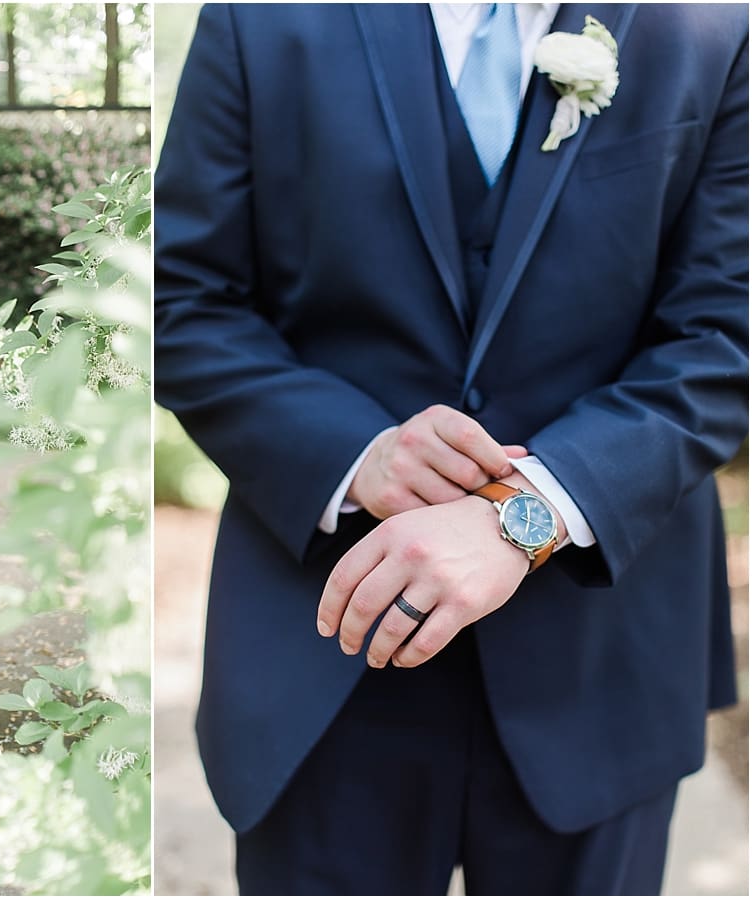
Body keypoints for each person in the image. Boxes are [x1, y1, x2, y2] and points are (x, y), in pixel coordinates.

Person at [155, 4, 747, 895]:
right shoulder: (260, 18)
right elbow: (180, 300)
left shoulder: (712, 23)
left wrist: (527, 514)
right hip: (328, 649)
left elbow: (725, 334)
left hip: (601, 663)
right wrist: (358, 454)